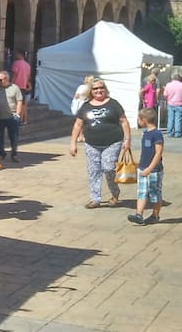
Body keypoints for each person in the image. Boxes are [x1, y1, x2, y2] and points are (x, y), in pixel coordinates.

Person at [69, 77, 131, 208]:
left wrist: (127, 140)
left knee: (108, 168)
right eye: (95, 88)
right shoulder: (86, 106)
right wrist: (73, 143)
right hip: (92, 143)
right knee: (94, 171)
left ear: (105, 89)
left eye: (101, 88)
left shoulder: (113, 104)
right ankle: (95, 199)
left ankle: (115, 193)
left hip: (112, 142)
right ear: (91, 91)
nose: (99, 90)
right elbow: (78, 125)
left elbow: (124, 121)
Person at [128, 108, 164, 225]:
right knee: (141, 192)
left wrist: (150, 168)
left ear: (143, 120)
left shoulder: (157, 134)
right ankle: (139, 214)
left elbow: (158, 153)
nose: (138, 121)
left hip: (154, 170)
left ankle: (155, 215)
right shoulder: (145, 133)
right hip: (142, 168)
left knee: (154, 193)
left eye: (139, 119)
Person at [0, 70, 24, 162]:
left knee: (13, 137)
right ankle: (1, 154)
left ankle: (14, 154)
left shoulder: (15, 88)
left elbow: (19, 101)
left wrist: (18, 114)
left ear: (6, 79)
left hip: (11, 116)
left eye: (0, 79)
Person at [162, 73, 182, 138]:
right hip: (180, 104)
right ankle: (177, 133)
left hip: (170, 103)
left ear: (172, 78)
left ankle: (170, 133)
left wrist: (168, 100)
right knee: (178, 119)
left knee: (170, 118)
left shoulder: (168, 85)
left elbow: (165, 95)